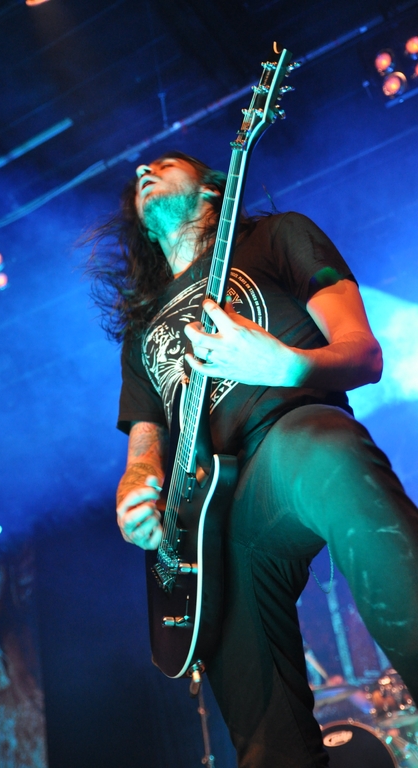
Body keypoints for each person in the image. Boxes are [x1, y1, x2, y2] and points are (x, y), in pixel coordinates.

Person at [88, 150, 418, 767]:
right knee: (266, 740)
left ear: (211, 190)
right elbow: (144, 447)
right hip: (211, 524)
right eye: (138, 175)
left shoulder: (276, 237)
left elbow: (364, 355)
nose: (142, 172)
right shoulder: (142, 330)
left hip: (291, 435)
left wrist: (283, 365)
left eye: (165, 163)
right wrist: (136, 494)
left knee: (331, 457)